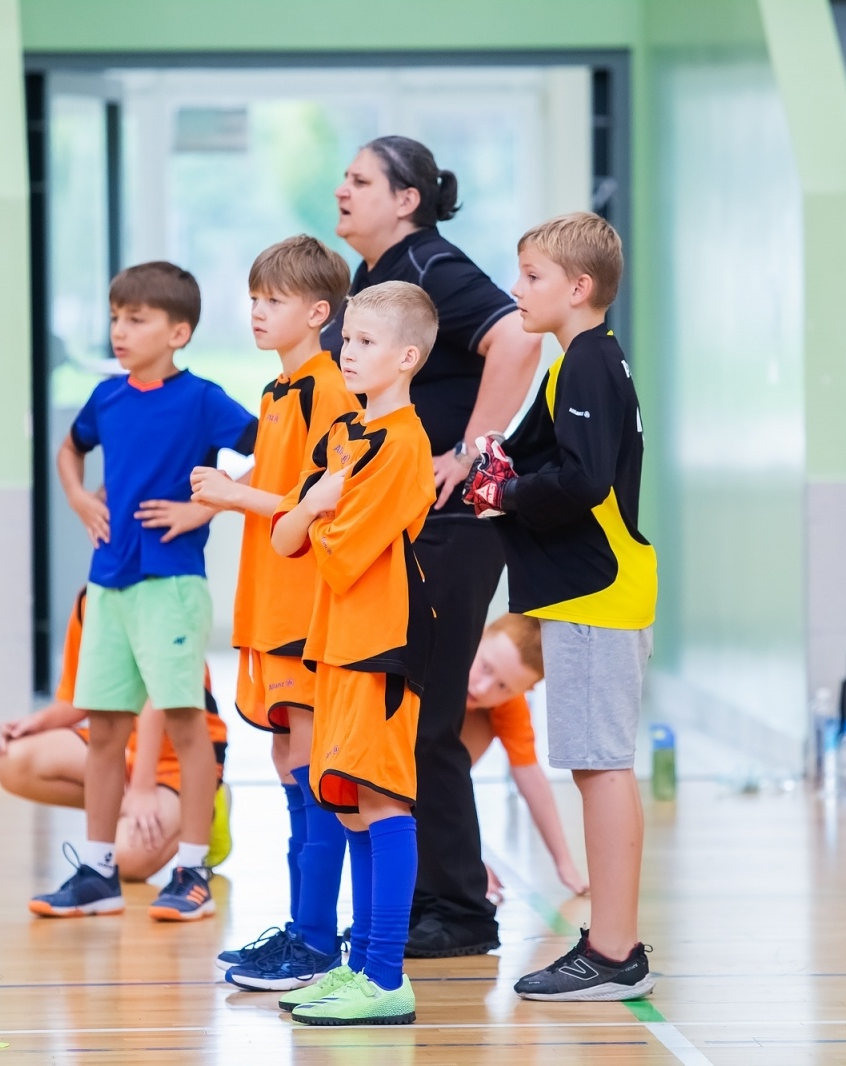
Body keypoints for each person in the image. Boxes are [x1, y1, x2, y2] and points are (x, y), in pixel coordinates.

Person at [323, 135, 542, 959]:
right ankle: (423, 904)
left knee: (430, 721)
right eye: (342, 178)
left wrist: (470, 452)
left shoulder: (429, 265)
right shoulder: (374, 277)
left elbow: (517, 339)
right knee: (406, 718)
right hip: (412, 525)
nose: (341, 189)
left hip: (450, 526)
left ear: (407, 197)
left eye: (359, 180)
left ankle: (458, 911)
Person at [465, 212, 657, 1001]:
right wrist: (495, 470)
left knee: (603, 768)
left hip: (598, 592)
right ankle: (610, 945)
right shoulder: (573, 365)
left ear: (579, 289)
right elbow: (545, 460)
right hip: (589, 594)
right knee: (596, 766)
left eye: (533, 276)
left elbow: (582, 483)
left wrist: (502, 489)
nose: (517, 290)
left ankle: (612, 954)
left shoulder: (586, 366)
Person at [31, 261, 257, 924]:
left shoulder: (205, 399)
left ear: (178, 331)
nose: (120, 331)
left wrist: (210, 507)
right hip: (110, 583)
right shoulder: (107, 399)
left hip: (172, 586)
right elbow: (68, 450)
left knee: (185, 726)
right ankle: (97, 874)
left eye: (137, 319)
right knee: (105, 730)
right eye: (115, 318)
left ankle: (191, 871)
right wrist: (77, 498)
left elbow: (272, 447)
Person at [188, 235, 360, 990]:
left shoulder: (331, 391)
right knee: (288, 767)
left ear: (319, 313)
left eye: (275, 301)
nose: (258, 313)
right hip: (269, 612)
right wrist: (216, 499)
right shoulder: (275, 392)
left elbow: (326, 501)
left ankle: (317, 944)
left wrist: (232, 495)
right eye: (254, 300)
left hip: (308, 611)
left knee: (314, 771)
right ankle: (302, 929)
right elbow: (278, 477)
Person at [271, 281, 437, 1026]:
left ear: (406, 357)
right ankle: (360, 968)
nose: (349, 350)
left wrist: (314, 513)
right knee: (354, 808)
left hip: (383, 644)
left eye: (366, 342)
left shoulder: (403, 444)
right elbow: (287, 538)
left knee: (382, 799)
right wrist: (313, 503)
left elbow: (334, 557)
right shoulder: (349, 442)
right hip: (335, 644)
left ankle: (385, 974)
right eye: (348, 339)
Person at [0, 588, 233, 886]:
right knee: (12, 759)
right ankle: (125, 808)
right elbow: (77, 697)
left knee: (127, 860)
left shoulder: (163, 588)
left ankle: (206, 806)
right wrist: (36, 721)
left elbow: (157, 699)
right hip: (119, 748)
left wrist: (143, 787)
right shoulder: (90, 599)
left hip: (176, 759)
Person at [461, 613, 588, 900]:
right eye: (484, 667)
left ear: (526, 691)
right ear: (479, 636)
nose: (483, 688)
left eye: (504, 686)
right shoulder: (443, 650)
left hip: (428, 786)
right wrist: (463, 860)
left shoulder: (506, 704)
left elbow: (529, 774)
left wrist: (564, 863)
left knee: (482, 725)